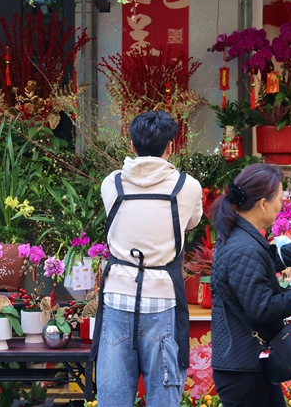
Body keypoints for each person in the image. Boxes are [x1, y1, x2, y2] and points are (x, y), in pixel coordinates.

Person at [91, 111, 203, 406]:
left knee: (113, 394)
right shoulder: (187, 186)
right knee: (162, 395)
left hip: (117, 296)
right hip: (162, 298)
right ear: (170, 147)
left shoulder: (111, 184)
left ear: (131, 145)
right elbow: (191, 223)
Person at [209, 163, 291, 407]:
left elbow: (254, 271)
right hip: (244, 369)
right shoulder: (244, 246)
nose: (281, 204)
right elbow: (262, 308)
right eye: (279, 198)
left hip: (246, 363)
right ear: (263, 203)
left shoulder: (239, 235)